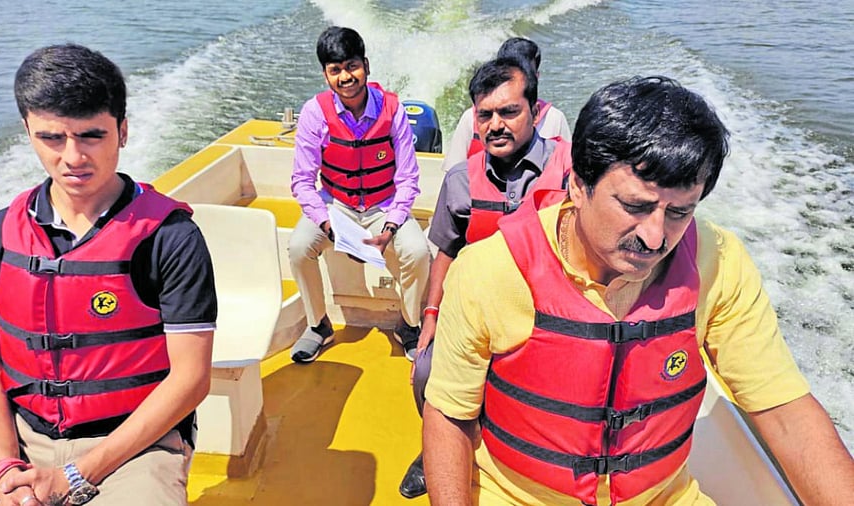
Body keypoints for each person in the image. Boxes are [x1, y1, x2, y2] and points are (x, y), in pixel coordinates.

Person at [422, 76, 854, 505]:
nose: (654, 237)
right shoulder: (488, 271)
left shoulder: (720, 263)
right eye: (634, 206)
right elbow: (450, 417)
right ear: (577, 184)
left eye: (679, 212)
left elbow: (785, 413)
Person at [0, 44, 216, 506]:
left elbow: (191, 378)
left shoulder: (171, 239)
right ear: (28, 132)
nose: (72, 157)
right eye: (52, 138)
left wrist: (74, 474)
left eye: (92, 135)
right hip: (19, 441)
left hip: (136, 445)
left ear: (123, 131)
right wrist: (4, 469)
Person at [397, 57, 571, 499]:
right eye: (484, 114)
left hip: (549, 309)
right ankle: (434, 448)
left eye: (509, 112)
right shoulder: (460, 181)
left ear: (535, 110)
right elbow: (446, 252)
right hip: (475, 312)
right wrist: (431, 318)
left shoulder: (573, 173)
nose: (496, 124)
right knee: (427, 371)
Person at [288, 26, 430, 363]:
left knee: (418, 251)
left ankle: (409, 324)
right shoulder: (313, 113)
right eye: (335, 70)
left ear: (366, 64)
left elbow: (408, 179)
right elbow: (302, 182)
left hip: (385, 204)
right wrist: (327, 225)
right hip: (335, 205)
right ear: (326, 75)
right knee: (297, 248)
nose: (345, 77)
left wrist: (391, 227)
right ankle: (318, 324)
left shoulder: (392, 110)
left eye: (352, 66)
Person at [440, 37, 572, 172]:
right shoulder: (471, 117)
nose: (496, 126)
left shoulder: (555, 119)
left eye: (510, 112)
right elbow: (453, 170)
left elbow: (569, 170)